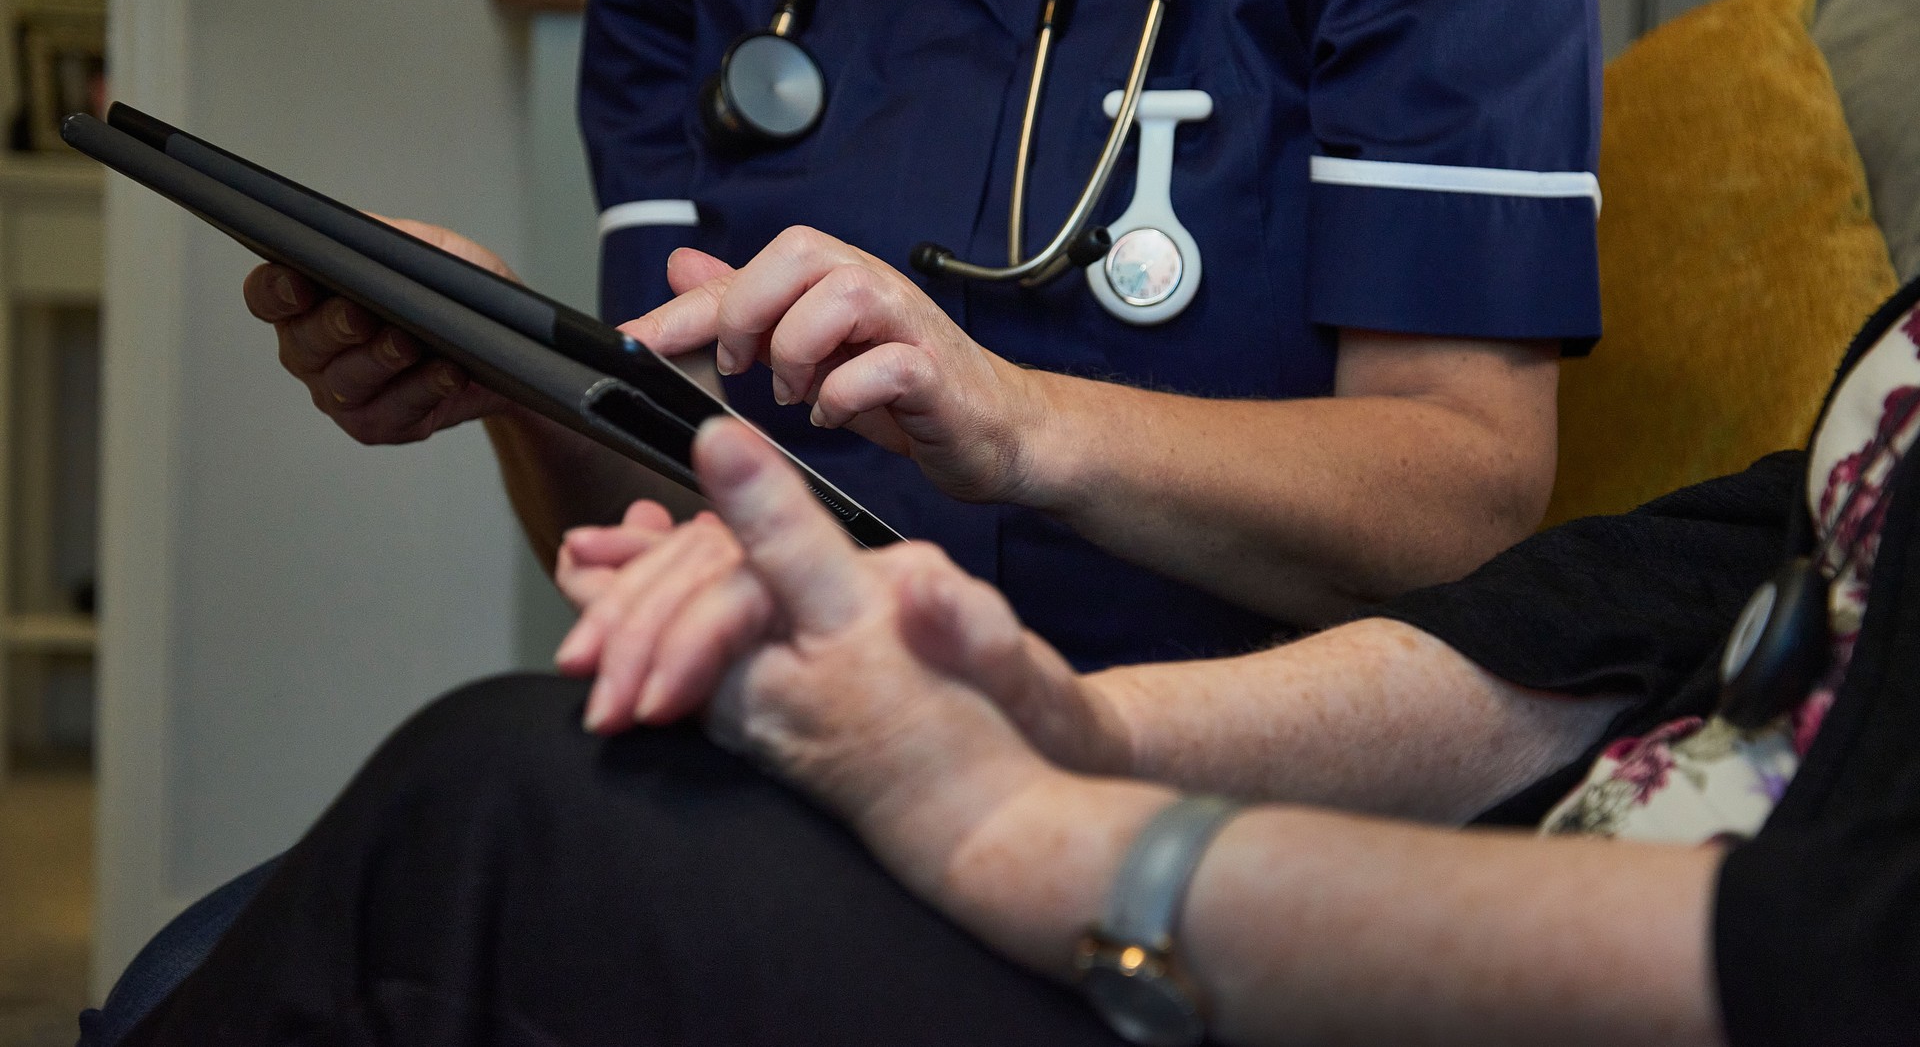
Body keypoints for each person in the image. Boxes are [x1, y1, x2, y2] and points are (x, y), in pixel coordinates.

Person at [117, 280, 1920, 1046]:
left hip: (1434, 961)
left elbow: (1848, 952)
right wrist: (1058, 722)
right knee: (239, 942)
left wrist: (1055, 839)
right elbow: (1602, 620)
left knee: (491, 823)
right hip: (1346, 851)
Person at [244, 0, 1604, 680]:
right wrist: (513, 379)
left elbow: (1466, 499)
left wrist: (1019, 423)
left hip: (1209, 784)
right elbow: (669, 508)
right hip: (800, 753)